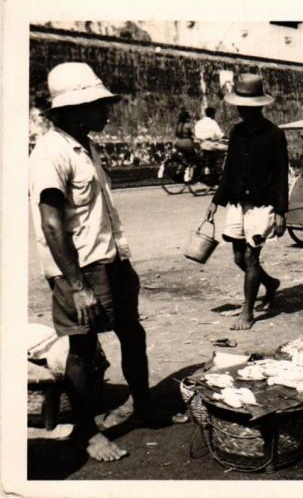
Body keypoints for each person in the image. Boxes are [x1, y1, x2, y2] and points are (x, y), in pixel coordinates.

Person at [29, 62, 180, 462]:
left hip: (111, 259)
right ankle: (86, 431)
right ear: (74, 108)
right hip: (78, 269)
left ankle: (143, 406)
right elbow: (51, 223)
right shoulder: (50, 152)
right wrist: (77, 285)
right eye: (98, 104)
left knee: (132, 333)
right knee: (83, 347)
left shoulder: (86, 146)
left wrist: (122, 261)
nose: (106, 111)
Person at [205, 74, 287, 330]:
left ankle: (247, 312)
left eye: (248, 107)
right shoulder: (237, 132)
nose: (243, 111)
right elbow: (229, 169)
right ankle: (270, 283)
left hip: (263, 205)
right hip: (238, 202)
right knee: (239, 258)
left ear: (259, 106)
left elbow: (281, 174)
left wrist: (281, 211)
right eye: (240, 106)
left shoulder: (274, 135)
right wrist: (215, 201)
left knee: (251, 257)